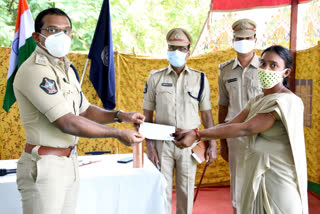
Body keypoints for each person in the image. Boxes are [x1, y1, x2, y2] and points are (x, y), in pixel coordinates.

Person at [13, 8, 145, 214]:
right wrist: (118, 134)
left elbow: (84, 110)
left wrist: (120, 116)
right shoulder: (35, 70)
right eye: (52, 30)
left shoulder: (65, 68)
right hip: (45, 165)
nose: (61, 36)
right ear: (37, 37)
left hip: (68, 163)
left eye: (66, 31)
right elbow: (67, 122)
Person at [174, 45, 308, 214]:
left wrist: (198, 135)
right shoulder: (257, 100)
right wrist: (193, 132)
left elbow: (246, 128)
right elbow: (231, 124)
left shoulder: (287, 101)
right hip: (255, 173)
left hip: (278, 179)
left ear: (286, 72)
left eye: (273, 65)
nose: (265, 69)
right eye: (263, 63)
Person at [142, 28, 217, 214]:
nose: (176, 52)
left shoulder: (200, 78)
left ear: (188, 52)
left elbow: (206, 115)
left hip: (190, 142)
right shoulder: (155, 77)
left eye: (181, 48)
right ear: (167, 50)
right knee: (162, 190)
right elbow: (147, 115)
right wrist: (149, 147)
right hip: (162, 143)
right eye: (172, 47)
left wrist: (213, 144)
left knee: (186, 190)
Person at [218, 18, 263, 213]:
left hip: (261, 133)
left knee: (261, 180)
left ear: (255, 38)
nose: (243, 41)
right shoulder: (225, 70)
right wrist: (222, 141)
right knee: (237, 181)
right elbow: (222, 106)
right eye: (239, 38)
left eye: (247, 37)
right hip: (234, 135)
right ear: (233, 40)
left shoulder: (266, 66)